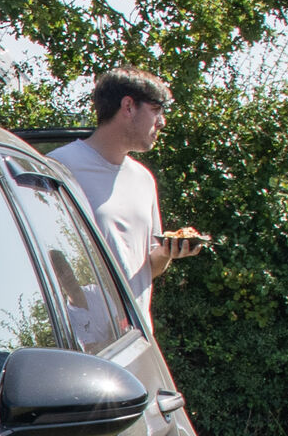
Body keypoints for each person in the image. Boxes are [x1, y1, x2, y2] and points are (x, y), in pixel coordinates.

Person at [47, 67, 204, 322]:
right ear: (128, 106)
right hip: (86, 337)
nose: (162, 122)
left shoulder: (144, 179)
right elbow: (47, 254)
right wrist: (83, 308)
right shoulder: (59, 167)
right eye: (156, 110)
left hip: (137, 334)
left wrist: (166, 252)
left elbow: (145, 268)